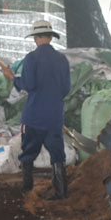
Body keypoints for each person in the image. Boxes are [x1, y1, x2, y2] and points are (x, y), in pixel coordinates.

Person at [15, 20, 72, 199]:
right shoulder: (62, 59)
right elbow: (65, 89)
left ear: (37, 38)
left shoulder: (31, 58)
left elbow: (29, 84)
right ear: (50, 37)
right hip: (54, 116)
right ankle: (61, 192)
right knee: (57, 154)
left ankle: (27, 189)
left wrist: (15, 79)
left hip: (34, 116)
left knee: (28, 151)